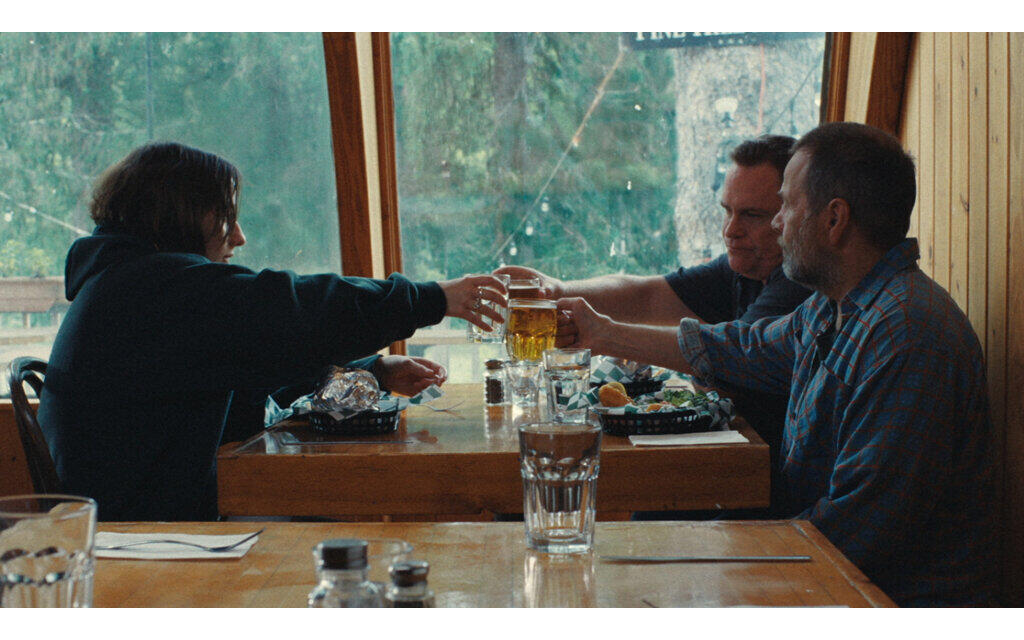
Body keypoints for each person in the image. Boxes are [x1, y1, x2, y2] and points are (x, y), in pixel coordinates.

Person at [557, 122, 996, 606]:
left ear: (834, 219)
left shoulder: (907, 335)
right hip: (823, 571)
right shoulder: (834, 306)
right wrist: (601, 332)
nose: (778, 223)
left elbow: (856, 534)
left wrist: (710, 562)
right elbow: (741, 348)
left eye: (785, 206)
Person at [38, 142, 507, 522]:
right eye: (224, 216)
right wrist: (431, 299)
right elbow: (293, 310)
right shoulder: (157, 290)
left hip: (145, 514)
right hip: (145, 537)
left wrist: (373, 371)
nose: (239, 236)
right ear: (179, 216)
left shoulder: (131, 286)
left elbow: (253, 359)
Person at [498, 134, 811, 515]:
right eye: (727, 211)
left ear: (794, 212)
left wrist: (603, 334)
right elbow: (647, 295)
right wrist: (557, 290)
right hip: (731, 471)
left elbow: (733, 358)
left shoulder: (799, 282)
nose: (730, 230)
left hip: (769, 494)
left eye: (752, 215)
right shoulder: (746, 267)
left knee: (552, 492)